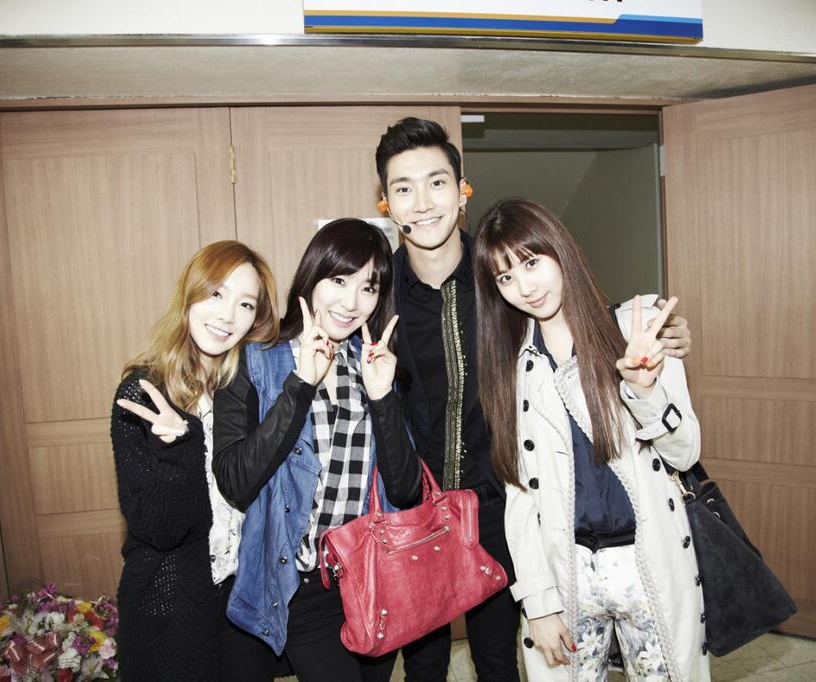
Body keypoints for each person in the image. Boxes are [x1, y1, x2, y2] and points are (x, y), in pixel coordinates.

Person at [374, 117, 693, 682]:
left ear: (462, 190)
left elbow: (573, 313)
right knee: (423, 664)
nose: (422, 203)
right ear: (386, 204)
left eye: (436, 182)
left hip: (505, 503)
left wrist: (647, 334)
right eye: (404, 188)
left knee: (500, 660)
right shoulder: (379, 293)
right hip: (417, 510)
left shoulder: (499, 276)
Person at [472, 197, 708, 681]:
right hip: (567, 569)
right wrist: (538, 602)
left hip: (648, 562)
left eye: (531, 263)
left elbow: (686, 453)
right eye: (505, 277)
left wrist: (644, 391)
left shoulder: (634, 332)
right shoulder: (511, 368)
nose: (525, 287)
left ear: (560, 250)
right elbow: (520, 495)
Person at [212, 218, 424, 682]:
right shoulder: (258, 359)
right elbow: (234, 481)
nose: (351, 302)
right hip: (301, 586)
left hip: (370, 582)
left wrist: (383, 397)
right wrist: (301, 384)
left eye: (368, 288)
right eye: (339, 281)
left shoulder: (373, 366)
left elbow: (406, 492)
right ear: (312, 276)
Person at [110, 240, 284, 681]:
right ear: (190, 294)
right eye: (217, 294)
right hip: (170, 603)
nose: (227, 315)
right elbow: (159, 530)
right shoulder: (144, 393)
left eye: (246, 304)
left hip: (240, 599)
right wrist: (179, 448)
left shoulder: (245, 390)